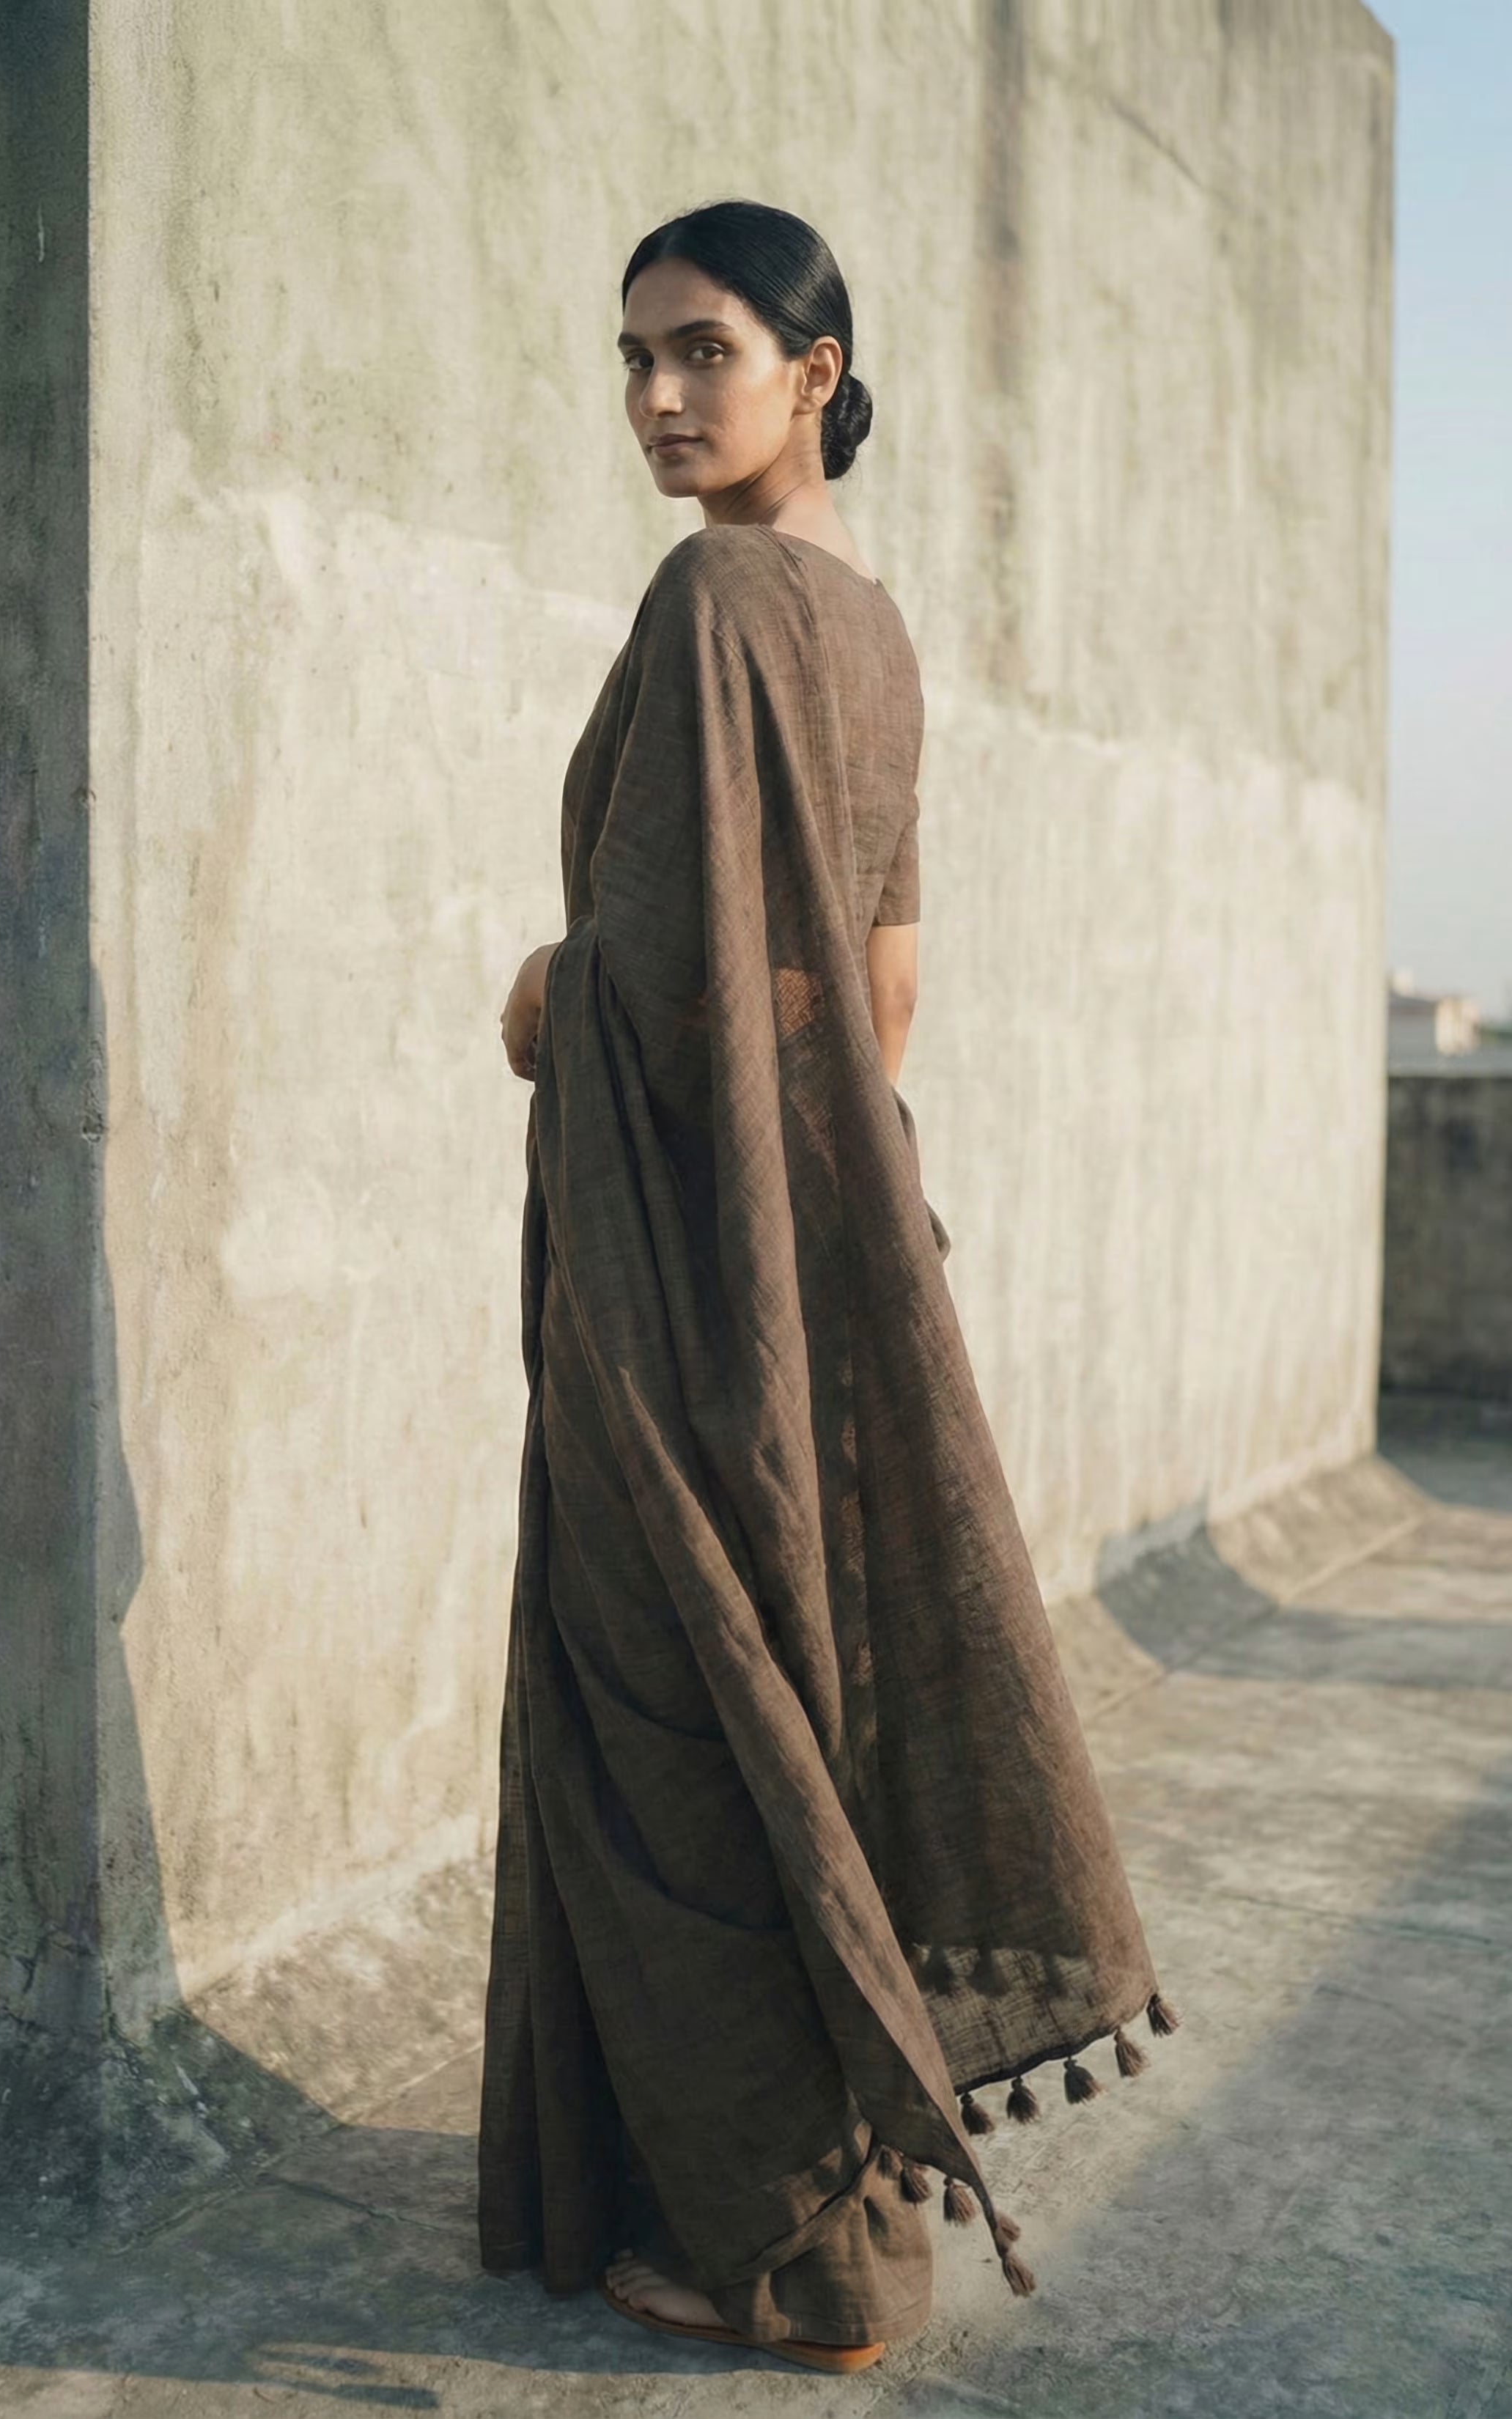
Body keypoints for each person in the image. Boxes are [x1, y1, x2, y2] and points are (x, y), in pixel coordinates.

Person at [479, 199, 1179, 2377]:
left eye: (704, 349)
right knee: (788, 1710)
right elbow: (881, 998)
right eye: (634, 358)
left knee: (672, 1739)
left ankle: (806, 2266)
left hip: (690, 1270)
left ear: (817, 369)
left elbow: (665, 981)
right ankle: (787, 2206)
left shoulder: (718, 601)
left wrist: (546, 994)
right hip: (822, 1260)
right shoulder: (869, 631)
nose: (658, 397)